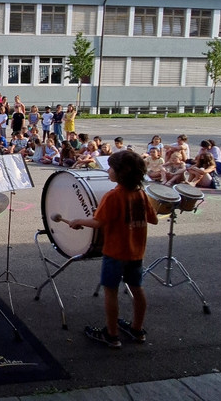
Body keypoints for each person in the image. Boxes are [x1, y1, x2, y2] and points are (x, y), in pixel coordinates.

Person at [62, 150, 157, 349]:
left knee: (111, 291)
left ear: (121, 172)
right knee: (137, 289)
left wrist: (78, 221)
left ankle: (112, 334)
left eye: (111, 167)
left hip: (115, 252)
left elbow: (98, 222)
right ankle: (137, 329)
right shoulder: (141, 194)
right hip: (136, 252)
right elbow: (153, 219)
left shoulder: (113, 196)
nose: (108, 170)